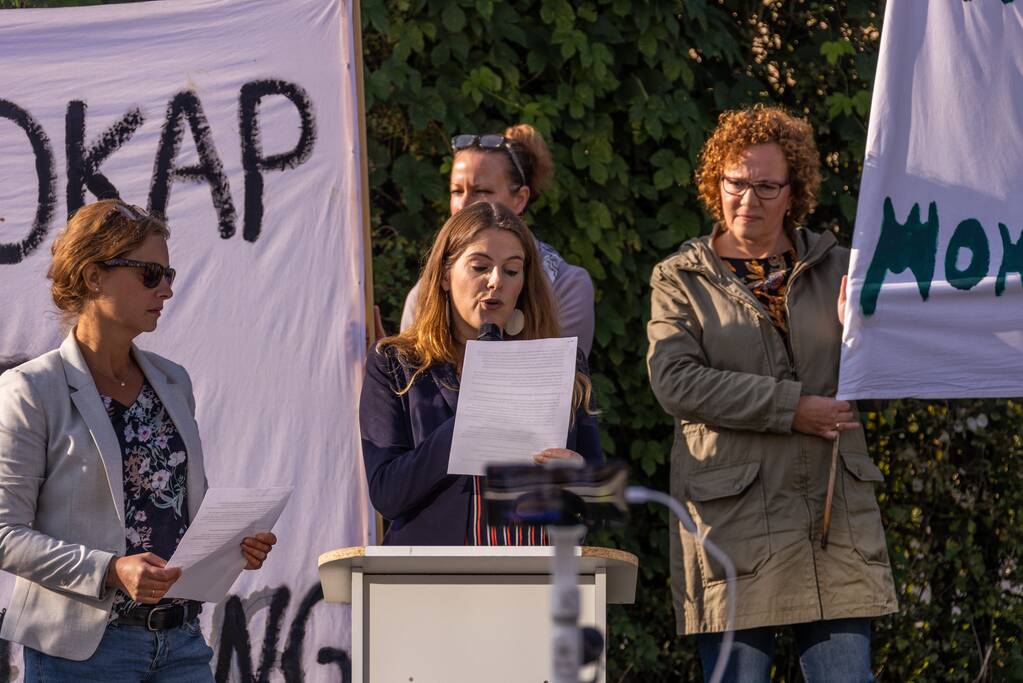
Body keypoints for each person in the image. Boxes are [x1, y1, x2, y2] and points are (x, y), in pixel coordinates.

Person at [646, 106, 898, 682]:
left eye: (766, 185)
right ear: (717, 184)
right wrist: (793, 410)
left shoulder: (844, 271)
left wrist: (867, 335)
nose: (748, 199)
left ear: (794, 192)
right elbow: (675, 381)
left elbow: (888, 376)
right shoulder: (679, 277)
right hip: (733, 528)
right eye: (736, 182)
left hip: (833, 519)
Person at [0, 200, 277, 681]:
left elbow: (181, 511)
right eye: (150, 274)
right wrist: (111, 570)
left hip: (182, 643)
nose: (167, 289)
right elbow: (4, 534)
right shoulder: (30, 390)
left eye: (168, 273)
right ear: (93, 276)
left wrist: (233, 546)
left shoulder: (174, 382)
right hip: (81, 654)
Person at [363, 201, 603, 545]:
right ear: (445, 275)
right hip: (427, 580)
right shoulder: (395, 363)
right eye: (479, 267)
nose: (495, 282)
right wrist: (463, 427)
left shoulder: (559, 363)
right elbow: (387, 495)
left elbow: (593, 505)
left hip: (534, 576)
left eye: (511, 271)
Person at [399, 124, 596, 357]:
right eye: (456, 191)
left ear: (520, 199)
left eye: (481, 191)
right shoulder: (427, 289)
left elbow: (558, 383)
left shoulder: (565, 285)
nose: (463, 205)